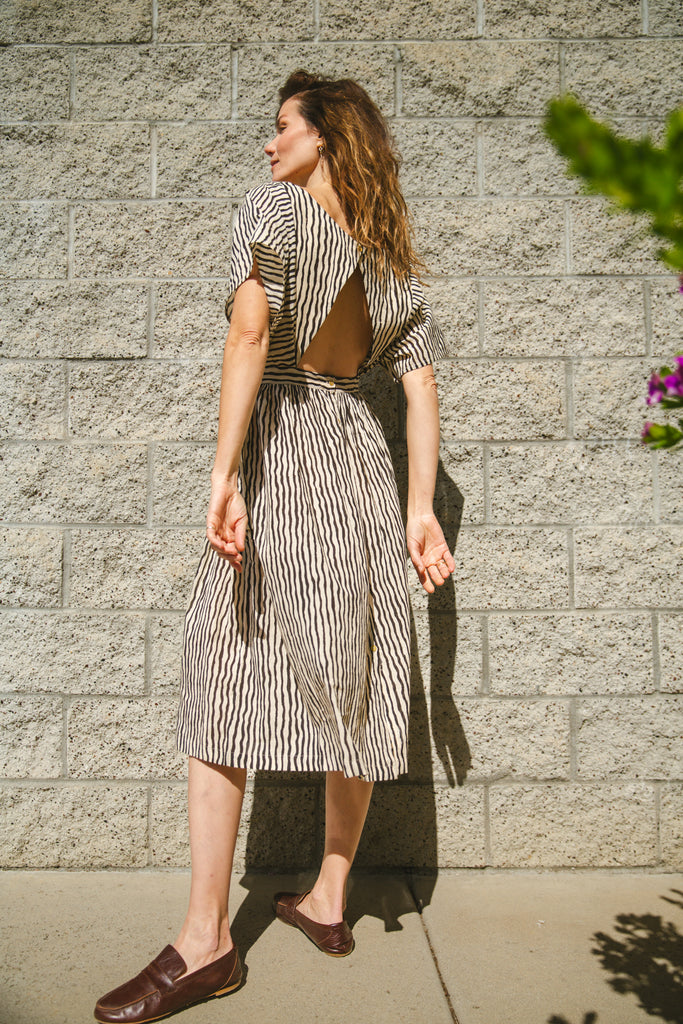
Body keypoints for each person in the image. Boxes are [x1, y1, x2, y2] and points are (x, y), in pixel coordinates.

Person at [94, 69, 455, 1024]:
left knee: (222, 670)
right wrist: (420, 508)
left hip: (291, 451)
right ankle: (329, 899)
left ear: (325, 136)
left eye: (280, 126)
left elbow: (251, 335)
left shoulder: (277, 213)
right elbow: (418, 395)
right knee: (356, 675)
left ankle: (207, 940)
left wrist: (222, 472)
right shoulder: (389, 265)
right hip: (362, 471)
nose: (267, 144)